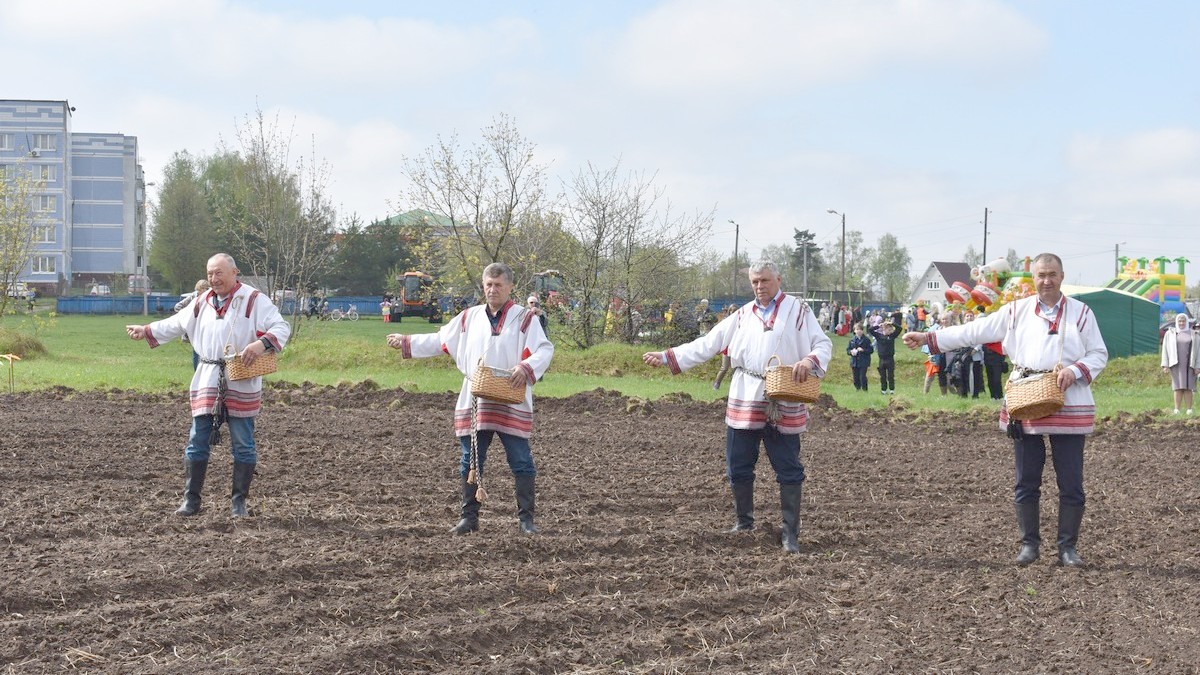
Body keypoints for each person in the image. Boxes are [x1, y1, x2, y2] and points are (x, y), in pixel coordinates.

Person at [903, 253, 1107, 567]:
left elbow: (1098, 353)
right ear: (1033, 278)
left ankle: (1067, 548)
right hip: (1025, 399)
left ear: (1062, 276)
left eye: (1052, 274)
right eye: (1041, 274)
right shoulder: (1016, 311)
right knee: (1026, 479)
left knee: (1071, 482)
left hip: (1069, 400)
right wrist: (930, 338)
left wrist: (1076, 371)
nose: (1046, 280)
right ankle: (1029, 546)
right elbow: (974, 332)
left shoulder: (1081, 313)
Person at [642, 261, 832, 553]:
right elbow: (708, 344)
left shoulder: (799, 311)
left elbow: (823, 344)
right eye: (755, 281)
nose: (760, 286)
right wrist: (668, 357)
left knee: (788, 466)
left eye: (765, 280)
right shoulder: (743, 314)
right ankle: (744, 523)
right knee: (739, 464)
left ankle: (789, 534)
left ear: (778, 279)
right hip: (746, 392)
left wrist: (809, 361)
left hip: (784, 395)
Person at [386, 263, 553, 535]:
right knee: (471, 460)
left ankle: (526, 521)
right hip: (476, 398)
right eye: (488, 284)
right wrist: (407, 341)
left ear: (510, 287)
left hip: (511, 397)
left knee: (521, 460)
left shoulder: (525, 318)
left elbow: (544, 349)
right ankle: (469, 518)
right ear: (483, 285)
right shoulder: (469, 317)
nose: (492, 289)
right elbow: (441, 340)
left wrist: (525, 368)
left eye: (498, 284)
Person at [126, 254, 291, 518]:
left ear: (234, 271)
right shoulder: (202, 301)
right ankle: (191, 501)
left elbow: (281, 327)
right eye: (210, 273)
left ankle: (239, 503)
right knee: (197, 440)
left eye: (219, 273)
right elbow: (176, 323)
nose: (214, 279)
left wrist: (260, 345)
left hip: (242, 378)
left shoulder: (254, 299)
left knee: (243, 443)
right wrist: (146, 329)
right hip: (208, 376)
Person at [1160, 313, 1199, 414]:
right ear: (1177, 322)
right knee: (1177, 387)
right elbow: (1165, 349)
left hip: (1190, 364)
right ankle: (1177, 409)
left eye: (1183, 321)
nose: (1181, 323)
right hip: (1176, 364)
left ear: (1187, 322)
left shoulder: (1194, 334)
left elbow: (1198, 351)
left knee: (1188, 387)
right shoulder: (1170, 334)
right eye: (1180, 321)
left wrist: (1197, 366)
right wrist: (1165, 364)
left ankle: (1189, 409)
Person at [174, 279, 212, 370]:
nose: (207, 291)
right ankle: (197, 371)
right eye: (205, 289)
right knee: (196, 351)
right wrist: (188, 314)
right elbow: (177, 306)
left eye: (208, 289)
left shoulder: (209, 297)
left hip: (205, 326)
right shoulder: (192, 297)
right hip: (194, 327)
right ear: (200, 288)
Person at [870, 318, 898, 394]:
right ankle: (883, 390)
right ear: (884, 330)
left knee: (890, 376)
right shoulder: (879, 336)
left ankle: (892, 389)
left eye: (891, 330)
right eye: (888, 330)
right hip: (882, 359)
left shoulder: (892, 336)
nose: (890, 331)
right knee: (883, 376)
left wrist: (892, 324)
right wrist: (879, 326)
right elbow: (870, 330)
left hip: (890, 359)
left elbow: (899, 328)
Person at [847, 322, 873, 391]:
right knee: (855, 377)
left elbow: (871, 350)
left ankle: (864, 389)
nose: (859, 331)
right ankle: (857, 388)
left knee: (862, 376)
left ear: (862, 330)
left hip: (863, 361)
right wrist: (851, 352)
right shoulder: (852, 340)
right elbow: (848, 350)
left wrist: (863, 350)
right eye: (857, 329)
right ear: (854, 330)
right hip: (854, 361)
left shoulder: (866, 340)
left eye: (860, 329)